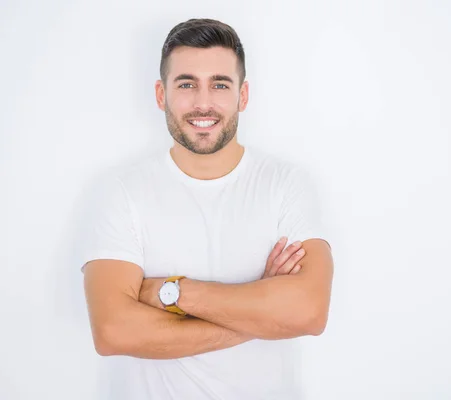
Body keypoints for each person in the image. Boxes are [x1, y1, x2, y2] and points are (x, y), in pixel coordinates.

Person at [80, 18, 334, 400]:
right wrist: (262, 311)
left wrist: (170, 293)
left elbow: (310, 313)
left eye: (219, 84)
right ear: (160, 94)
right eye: (186, 84)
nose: (203, 102)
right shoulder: (122, 191)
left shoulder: (286, 184)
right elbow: (113, 332)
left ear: (242, 96)